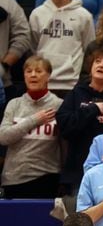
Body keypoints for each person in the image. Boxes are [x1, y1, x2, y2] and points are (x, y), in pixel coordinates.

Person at [56, 46, 103, 193]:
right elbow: (65, 127)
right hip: (77, 170)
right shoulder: (76, 93)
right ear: (90, 67)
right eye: (97, 61)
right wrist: (92, 109)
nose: (101, 65)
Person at [0, 56, 62, 199]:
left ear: (48, 76)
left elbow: (64, 144)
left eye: (39, 71)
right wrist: (34, 120)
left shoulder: (59, 105)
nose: (33, 75)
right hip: (14, 178)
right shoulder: (14, 104)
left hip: (47, 177)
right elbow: (3, 137)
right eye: (29, 71)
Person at [29, 0, 96, 96]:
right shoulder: (37, 14)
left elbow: (90, 50)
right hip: (43, 82)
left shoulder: (84, 16)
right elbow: (33, 48)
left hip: (73, 83)